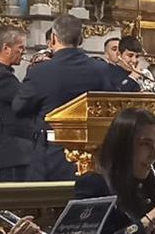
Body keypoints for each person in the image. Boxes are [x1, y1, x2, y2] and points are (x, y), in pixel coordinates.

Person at [12, 14, 112, 181]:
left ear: (53, 38)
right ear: (80, 39)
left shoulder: (40, 72)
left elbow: (19, 108)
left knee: (49, 202)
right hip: (92, 155)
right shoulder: (101, 70)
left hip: (51, 154)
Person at [0, 25, 33, 182]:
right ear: (6, 48)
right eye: (20, 47)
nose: (23, 52)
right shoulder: (2, 77)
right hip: (12, 154)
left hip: (7, 152)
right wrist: (37, 73)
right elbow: (28, 99)